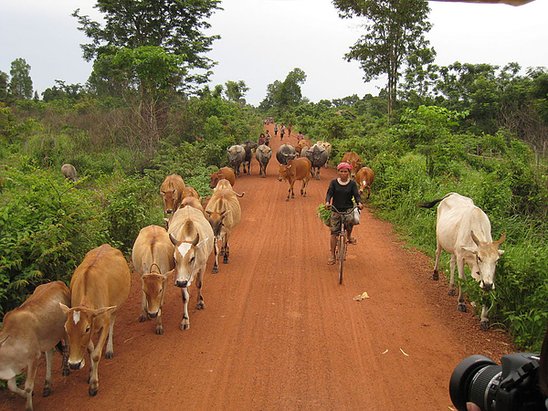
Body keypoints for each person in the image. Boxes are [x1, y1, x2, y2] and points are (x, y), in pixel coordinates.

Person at [325, 162, 363, 265]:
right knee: (333, 233)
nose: (343, 173)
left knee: (350, 221)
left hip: (348, 209)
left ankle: (349, 236)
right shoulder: (333, 183)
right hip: (335, 209)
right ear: (338, 172)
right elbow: (329, 194)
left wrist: (359, 203)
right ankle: (332, 255)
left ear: (349, 173)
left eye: (345, 171)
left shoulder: (352, 184)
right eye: (341, 171)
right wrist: (327, 202)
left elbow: (356, 195)